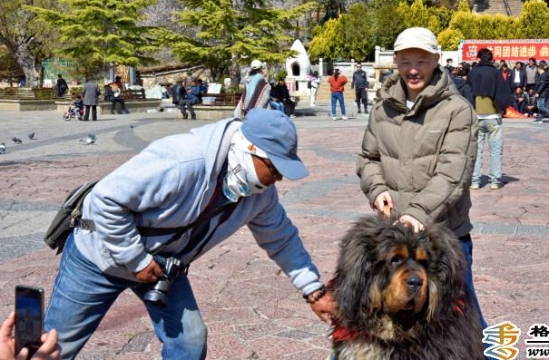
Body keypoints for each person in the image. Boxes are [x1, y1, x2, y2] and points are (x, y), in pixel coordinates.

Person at [43, 109, 333, 359]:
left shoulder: (260, 194)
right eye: (275, 168)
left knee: (190, 341)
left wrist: (313, 290)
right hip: (98, 255)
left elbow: (281, 239)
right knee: (55, 345)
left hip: (163, 265)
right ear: (250, 151)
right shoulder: (182, 159)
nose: (279, 178)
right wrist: (136, 260)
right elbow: (105, 200)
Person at [356, 27, 487, 329]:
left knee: (462, 323)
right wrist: (376, 189)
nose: (413, 70)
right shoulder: (382, 109)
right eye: (405, 61)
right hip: (395, 241)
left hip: (443, 239)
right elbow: (368, 158)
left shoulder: (457, 111)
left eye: (422, 61)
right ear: (396, 62)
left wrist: (419, 212)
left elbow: (454, 173)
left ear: (436, 60)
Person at [467, 48, 510, 191]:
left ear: (478, 58)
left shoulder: (473, 73)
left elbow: (468, 93)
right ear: (491, 58)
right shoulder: (496, 73)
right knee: (496, 150)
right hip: (493, 116)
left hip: (476, 116)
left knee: (476, 151)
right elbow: (504, 94)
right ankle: (495, 181)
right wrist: (501, 108)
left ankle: (475, 181)